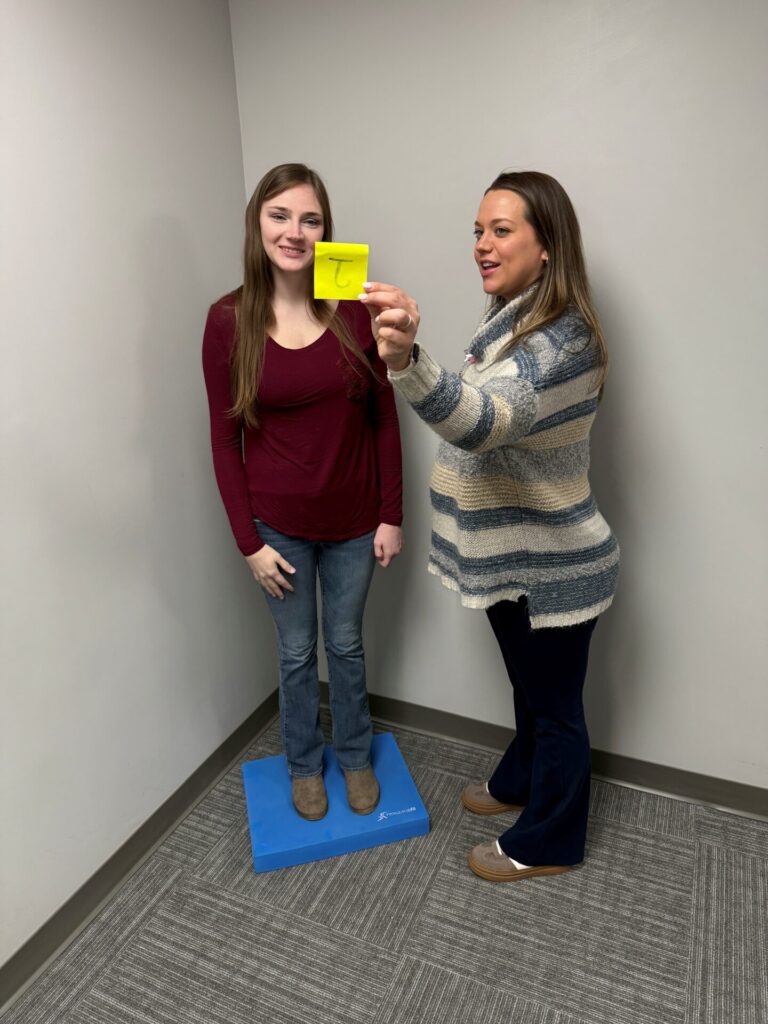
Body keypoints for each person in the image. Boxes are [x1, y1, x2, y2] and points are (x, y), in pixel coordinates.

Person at [360, 170, 619, 881]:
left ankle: (551, 841)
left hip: (553, 567)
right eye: (478, 229)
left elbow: (483, 422)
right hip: (514, 561)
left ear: (548, 246)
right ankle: (519, 781)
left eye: (501, 230)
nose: (482, 244)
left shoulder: (560, 343)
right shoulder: (512, 314)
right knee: (529, 690)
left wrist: (408, 361)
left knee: (558, 708)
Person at [202, 163, 403, 822]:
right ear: (257, 224)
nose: (295, 231)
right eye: (280, 216)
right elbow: (223, 439)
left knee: (344, 645)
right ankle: (303, 766)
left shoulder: (352, 304)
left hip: (352, 521)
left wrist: (389, 516)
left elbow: (382, 415)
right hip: (277, 529)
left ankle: (352, 756)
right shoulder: (227, 320)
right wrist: (248, 544)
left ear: (326, 230)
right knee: (295, 653)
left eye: (310, 219)